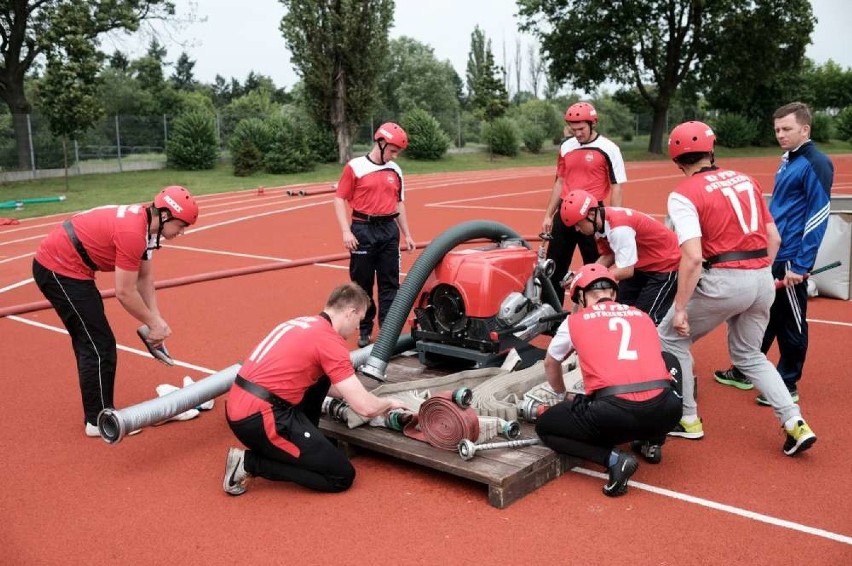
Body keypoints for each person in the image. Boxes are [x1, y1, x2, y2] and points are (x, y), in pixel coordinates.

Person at [658, 121, 817, 456]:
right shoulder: (747, 180)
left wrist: (682, 306)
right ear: (712, 151)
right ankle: (794, 422)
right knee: (749, 355)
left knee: (671, 339)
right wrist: (761, 275)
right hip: (761, 277)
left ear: (677, 161)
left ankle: (687, 420)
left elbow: (692, 257)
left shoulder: (683, 194)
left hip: (723, 279)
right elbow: (773, 238)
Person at [32, 185, 199, 437]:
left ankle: (98, 412)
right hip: (58, 269)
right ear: (165, 215)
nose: (182, 232)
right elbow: (124, 292)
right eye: (181, 225)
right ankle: (97, 420)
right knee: (98, 344)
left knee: (95, 340)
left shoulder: (148, 230)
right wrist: (153, 322)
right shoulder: (133, 233)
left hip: (75, 270)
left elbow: (144, 278)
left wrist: (156, 319)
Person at [222, 282, 409, 496]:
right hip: (260, 419)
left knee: (322, 378)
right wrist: (389, 403)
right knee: (341, 475)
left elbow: (337, 389)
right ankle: (248, 463)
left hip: (243, 405)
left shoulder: (301, 323)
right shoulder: (329, 342)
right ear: (351, 312)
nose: (358, 327)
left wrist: (361, 397)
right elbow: (365, 408)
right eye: (360, 319)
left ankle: (306, 438)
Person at [714, 102, 834, 404]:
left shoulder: (816, 162)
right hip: (773, 252)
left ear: (804, 129)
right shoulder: (789, 160)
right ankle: (746, 370)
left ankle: (787, 383)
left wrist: (802, 263)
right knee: (761, 312)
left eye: (787, 129)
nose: (780, 134)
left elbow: (819, 215)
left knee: (791, 322)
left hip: (792, 257)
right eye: (777, 129)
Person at [535, 264, 682, 497]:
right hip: (667, 411)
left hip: (614, 415)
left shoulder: (574, 321)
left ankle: (613, 459)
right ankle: (653, 441)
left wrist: (563, 395)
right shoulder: (641, 316)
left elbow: (550, 364)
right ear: (613, 293)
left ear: (581, 296)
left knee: (545, 427)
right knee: (670, 359)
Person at [334, 122, 416, 348]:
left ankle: (388, 331)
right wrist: (345, 231)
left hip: (389, 231)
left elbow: (399, 203)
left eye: (397, 152)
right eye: (392, 151)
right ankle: (365, 329)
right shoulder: (355, 167)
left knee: (390, 283)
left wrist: (407, 234)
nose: (395, 156)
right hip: (363, 229)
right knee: (363, 284)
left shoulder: (395, 171)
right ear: (380, 143)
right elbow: (339, 198)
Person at [542, 102, 627, 306]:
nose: (577, 133)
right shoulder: (566, 147)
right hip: (564, 212)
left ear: (592, 123)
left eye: (581, 128)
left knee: (597, 267)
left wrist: (611, 219)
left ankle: (600, 310)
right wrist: (548, 215)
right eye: (573, 128)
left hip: (591, 215)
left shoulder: (609, 148)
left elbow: (616, 186)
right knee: (554, 266)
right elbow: (559, 181)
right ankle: (551, 315)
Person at [559, 189, 680, 325]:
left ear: (591, 215)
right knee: (616, 311)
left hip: (664, 266)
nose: (576, 229)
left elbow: (626, 271)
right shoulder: (600, 223)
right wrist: (582, 274)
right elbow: (609, 254)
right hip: (641, 264)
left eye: (578, 224)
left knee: (644, 321)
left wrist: (588, 280)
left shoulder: (619, 228)